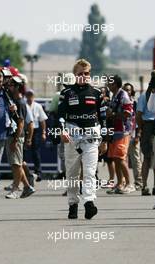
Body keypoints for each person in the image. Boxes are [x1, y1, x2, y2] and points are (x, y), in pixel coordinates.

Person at [58, 59, 107, 219]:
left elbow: (104, 117)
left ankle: (89, 203)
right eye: (80, 73)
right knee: (72, 173)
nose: (84, 76)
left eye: (86, 73)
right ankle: (73, 204)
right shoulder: (66, 93)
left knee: (89, 172)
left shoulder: (97, 93)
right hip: (72, 137)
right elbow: (59, 115)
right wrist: (62, 131)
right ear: (75, 75)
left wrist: (105, 139)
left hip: (92, 137)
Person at [5, 76, 35, 199]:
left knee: (16, 165)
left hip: (16, 137)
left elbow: (21, 123)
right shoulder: (12, 99)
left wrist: (16, 140)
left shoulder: (20, 102)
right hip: (12, 136)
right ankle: (27, 187)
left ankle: (15, 190)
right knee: (16, 163)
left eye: (12, 85)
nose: (9, 87)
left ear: (17, 87)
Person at [106, 75, 135, 194]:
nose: (108, 85)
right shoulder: (115, 95)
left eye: (110, 83)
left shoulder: (123, 95)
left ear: (116, 84)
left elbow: (128, 113)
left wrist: (112, 114)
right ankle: (119, 184)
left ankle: (129, 184)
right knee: (116, 158)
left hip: (123, 131)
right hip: (115, 131)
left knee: (121, 158)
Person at [0, 71, 16, 199]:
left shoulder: (6, 95)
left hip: (1, 134)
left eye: (0, 81)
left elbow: (11, 113)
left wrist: (13, 110)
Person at [136, 86, 155, 195]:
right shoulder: (147, 96)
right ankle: (153, 186)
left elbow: (139, 115)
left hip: (149, 125)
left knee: (148, 158)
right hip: (153, 125)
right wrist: (141, 129)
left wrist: (140, 128)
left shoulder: (144, 95)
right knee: (154, 158)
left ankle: (149, 186)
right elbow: (138, 115)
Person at [123, 83, 142, 190]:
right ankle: (125, 182)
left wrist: (138, 134)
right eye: (125, 90)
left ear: (132, 91)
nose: (127, 92)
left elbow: (138, 119)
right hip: (123, 134)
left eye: (129, 90)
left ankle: (138, 182)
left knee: (135, 159)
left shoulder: (134, 102)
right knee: (123, 159)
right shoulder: (121, 102)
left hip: (133, 134)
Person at [25, 89, 48, 182]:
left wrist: (43, 132)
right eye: (28, 95)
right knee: (22, 153)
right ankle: (24, 173)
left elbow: (42, 120)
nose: (29, 97)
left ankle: (38, 172)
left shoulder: (38, 106)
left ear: (33, 96)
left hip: (35, 131)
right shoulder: (23, 104)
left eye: (31, 95)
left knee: (36, 152)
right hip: (25, 130)